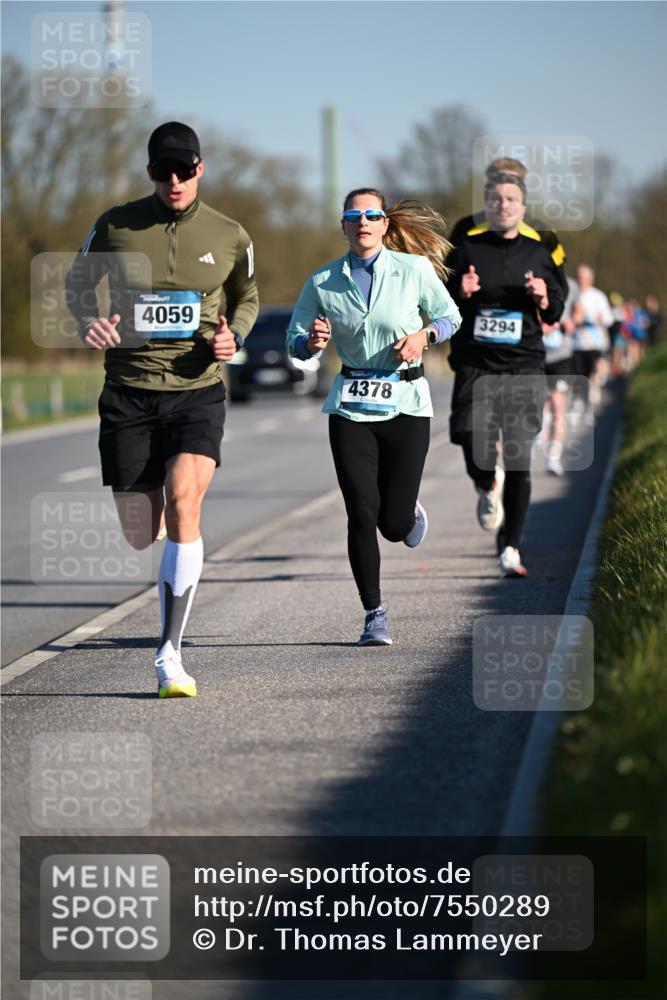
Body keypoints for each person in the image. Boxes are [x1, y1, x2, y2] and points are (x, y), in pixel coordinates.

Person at [66, 122, 259, 697]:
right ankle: (168, 542)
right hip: (128, 389)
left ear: (200, 168)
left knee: (183, 503)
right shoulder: (116, 224)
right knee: (138, 531)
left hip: (197, 388)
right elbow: (78, 282)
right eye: (162, 171)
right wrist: (88, 320)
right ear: (149, 172)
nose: (173, 180)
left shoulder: (230, 235)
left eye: (184, 170)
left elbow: (245, 296)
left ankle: (169, 653)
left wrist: (236, 336)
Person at [286, 189, 461, 645]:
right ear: (343, 226)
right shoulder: (323, 281)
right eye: (353, 215)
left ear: (385, 224)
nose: (362, 221)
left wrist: (424, 335)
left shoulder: (414, 270)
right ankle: (374, 614)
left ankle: (405, 514)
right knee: (361, 513)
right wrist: (311, 342)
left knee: (392, 524)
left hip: (405, 403)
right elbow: (295, 335)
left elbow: (450, 317)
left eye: (372, 215)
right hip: (350, 405)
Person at [448, 172, 565, 577]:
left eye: (511, 199)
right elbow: (440, 305)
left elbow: (555, 311)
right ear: (487, 205)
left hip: (523, 365)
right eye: (496, 199)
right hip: (476, 364)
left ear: (523, 207)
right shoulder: (465, 249)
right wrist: (460, 292)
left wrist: (543, 297)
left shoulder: (539, 254)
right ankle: (485, 482)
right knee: (468, 435)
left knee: (518, 457)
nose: (504, 205)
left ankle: (511, 547)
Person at [450, 156, 569, 299]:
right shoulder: (465, 227)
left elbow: (559, 286)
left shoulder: (543, 232)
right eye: (498, 179)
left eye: (513, 181)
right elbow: (447, 278)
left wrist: (545, 308)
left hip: (527, 316)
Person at [541, 276, 578, 476]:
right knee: (537, 402)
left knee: (557, 401)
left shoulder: (571, 285)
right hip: (535, 352)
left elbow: (577, 311)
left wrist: (570, 322)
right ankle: (540, 430)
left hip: (561, 354)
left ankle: (553, 457)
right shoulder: (530, 279)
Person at [572, 265, 613, 411]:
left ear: (591, 279)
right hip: (576, 341)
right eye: (579, 278)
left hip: (594, 342)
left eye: (584, 278)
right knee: (578, 372)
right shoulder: (571, 293)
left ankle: (592, 389)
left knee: (592, 370)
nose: (581, 281)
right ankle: (579, 398)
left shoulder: (598, 296)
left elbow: (609, 318)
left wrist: (600, 318)